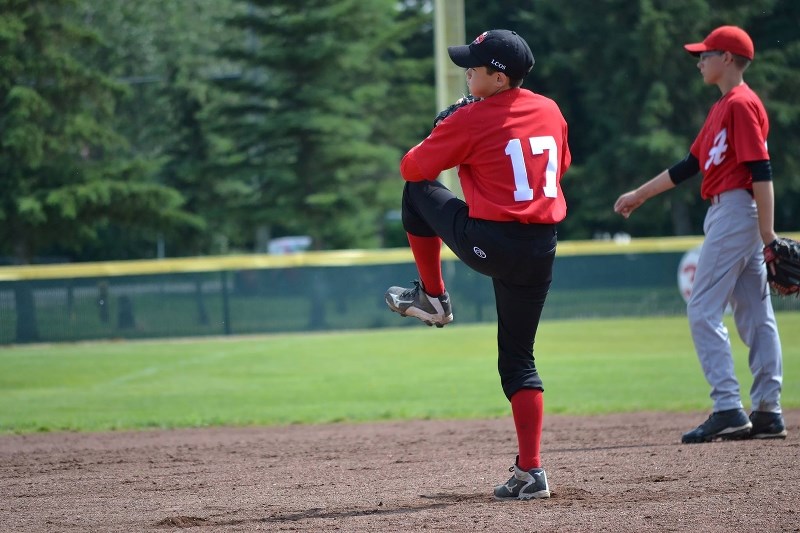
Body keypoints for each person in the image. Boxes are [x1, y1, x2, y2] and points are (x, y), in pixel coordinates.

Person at [384, 29, 570, 499]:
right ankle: (532, 473)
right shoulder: (550, 109)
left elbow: (412, 168)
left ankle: (433, 294)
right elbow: (557, 166)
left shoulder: (473, 117)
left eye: (475, 66)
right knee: (519, 360)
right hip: (541, 246)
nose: (467, 71)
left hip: (492, 239)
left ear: (500, 77)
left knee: (415, 192)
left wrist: (443, 130)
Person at [614, 25, 786, 443]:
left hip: (736, 212)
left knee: (703, 309)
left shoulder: (741, 104)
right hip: (734, 213)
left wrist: (768, 233)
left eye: (705, 55)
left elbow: (761, 170)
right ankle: (767, 412)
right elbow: (689, 166)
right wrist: (641, 194)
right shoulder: (723, 108)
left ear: (727, 58)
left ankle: (728, 407)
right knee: (754, 313)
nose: (699, 61)